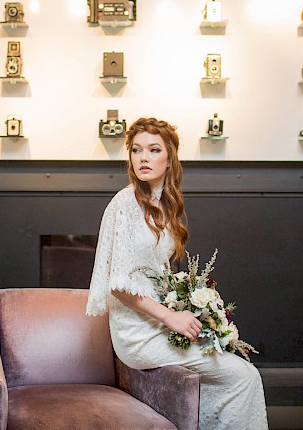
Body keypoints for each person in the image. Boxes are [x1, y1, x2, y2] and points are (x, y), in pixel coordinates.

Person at [86, 117, 268, 429]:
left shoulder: (167, 206)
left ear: (170, 158)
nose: (143, 157)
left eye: (154, 150)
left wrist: (191, 309)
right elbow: (118, 286)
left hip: (157, 322)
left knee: (234, 374)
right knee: (244, 375)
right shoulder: (124, 203)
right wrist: (172, 318)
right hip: (137, 334)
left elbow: (160, 276)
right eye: (136, 150)